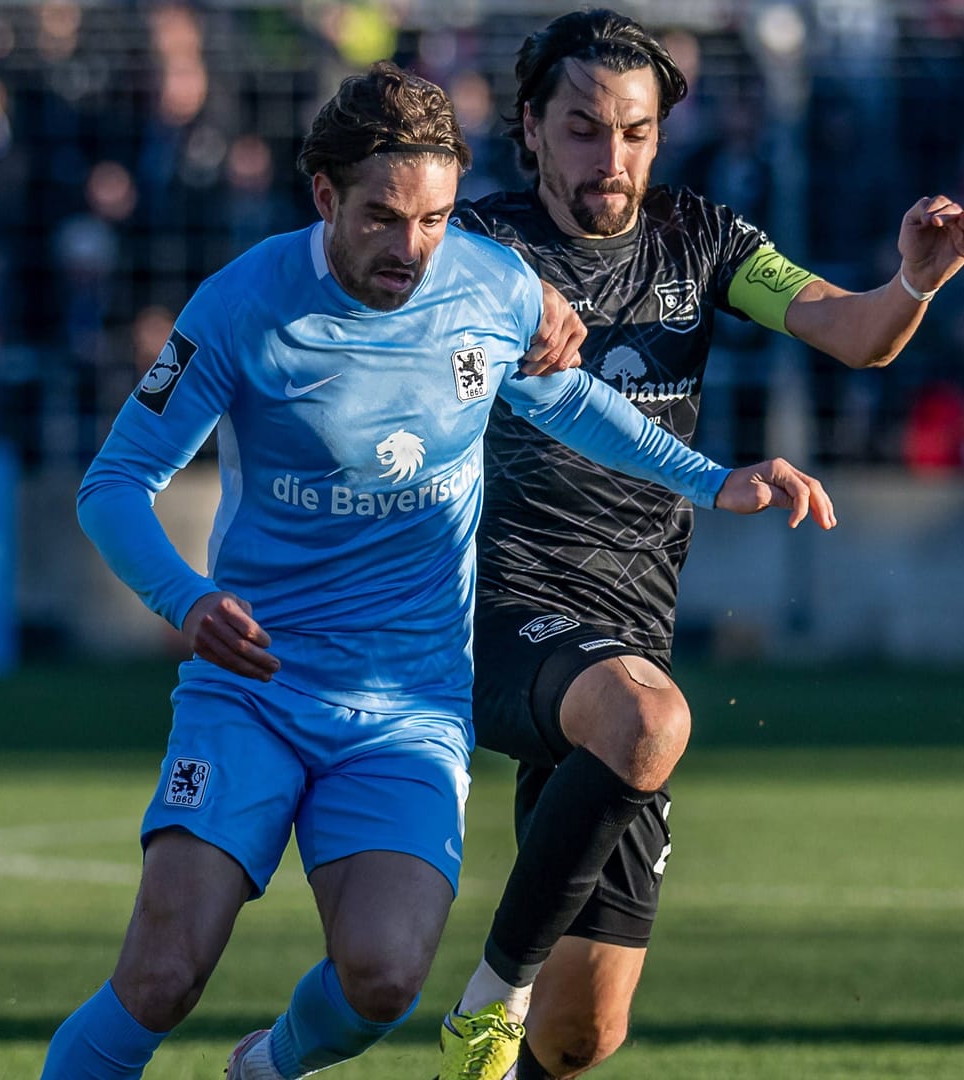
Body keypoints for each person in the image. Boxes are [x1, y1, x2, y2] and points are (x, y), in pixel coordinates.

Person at [43, 61, 834, 1080]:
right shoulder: (244, 305)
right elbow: (115, 485)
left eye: (435, 219)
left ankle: (265, 1068)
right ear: (325, 196)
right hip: (255, 692)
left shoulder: (492, 286)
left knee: (381, 982)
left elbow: (574, 402)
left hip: (409, 702)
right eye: (382, 218)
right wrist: (186, 599)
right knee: (161, 977)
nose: (412, 249)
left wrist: (712, 478)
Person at [435, 12, 964, 1080]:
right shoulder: (478, 252)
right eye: (586, 130)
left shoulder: (706, 242)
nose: (613, 158)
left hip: (631, 631)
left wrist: (913, 282)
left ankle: (498, 1036)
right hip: (497, 612)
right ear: (532, 130)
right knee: (646, 721)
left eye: (635, 133)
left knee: (583, 1034)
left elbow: (854, 329)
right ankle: (482, 1006)